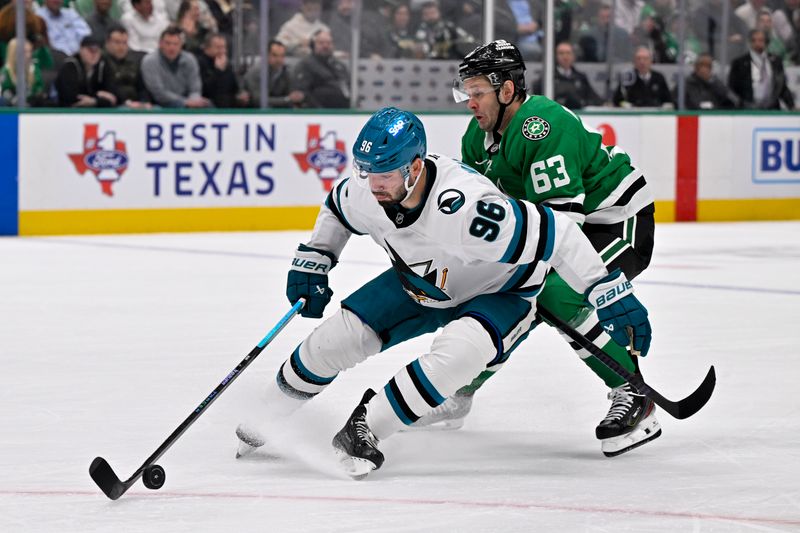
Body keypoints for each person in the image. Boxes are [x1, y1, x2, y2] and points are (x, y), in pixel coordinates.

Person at [235, 106, 653, 477]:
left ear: (414, 167)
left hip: (500, 290)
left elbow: (560, 234)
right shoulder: (366, 189)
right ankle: (269, 414)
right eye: (366, 170)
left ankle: (369, 427)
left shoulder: (470, 210)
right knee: (333, 341)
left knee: (459, 355)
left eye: (383, 173)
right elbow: (338, 205)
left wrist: (605, 288)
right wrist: (317, 256)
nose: (372, 183)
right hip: (421, 282)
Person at [415, 40, 660, 458]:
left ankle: (633, 391)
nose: (470, 102)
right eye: (466, 92)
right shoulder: (476, 138)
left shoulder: (542, 125)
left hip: (617, 222)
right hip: (557, 225)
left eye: (478, 92)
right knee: (508, 297)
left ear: (507, 90)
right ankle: (459, 390)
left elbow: (560, 226)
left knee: (550, 292)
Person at [140, 25, 210, 108]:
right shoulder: (150, 61)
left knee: (208, 105)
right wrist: (185, 102)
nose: (171, 48)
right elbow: (159, 93)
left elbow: (195, 89)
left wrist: (194, 101)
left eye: (175, 44)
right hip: (160, 103)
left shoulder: (190, 59)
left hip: (188, 101)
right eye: (168, 43)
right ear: (160, 44)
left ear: (181, 45)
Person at [728, 29, 795, 109]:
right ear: (750, 42)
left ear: (766, 42)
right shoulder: (739, 63)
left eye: (760, 40)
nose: (757, 43)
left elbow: (782, 87)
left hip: (772, 108)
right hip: (748, 109)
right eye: (754, 40)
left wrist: (791, 105)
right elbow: (732, 89)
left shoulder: (775, 62)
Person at [531, 41, 604, 109]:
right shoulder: (548, 77)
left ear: (573, 56)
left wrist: (582, 103)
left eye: (568, 53)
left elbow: (596, 100)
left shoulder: (580, 78)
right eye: (561, 53)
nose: (565, 57)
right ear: (556, 56)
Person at [54, 35, 119, 107]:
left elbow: (116, 97)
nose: (94, 54)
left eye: (97, 51)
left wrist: (94, 101)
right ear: (81, 50)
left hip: (97, 113)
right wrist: (98, 95)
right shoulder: (70, 66)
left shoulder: (103, 65)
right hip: (68, 113)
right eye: (90, 50)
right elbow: (70, 97)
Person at [292, 29, 349, 108]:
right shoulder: (305, 65)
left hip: (341, 113)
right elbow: (302, 93)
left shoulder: (339, 66)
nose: (325, 46)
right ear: (313, 45)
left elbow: (348, 89)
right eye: (321, 43)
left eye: (329, 43)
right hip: (316, 113)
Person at [242, 39, 305, 108]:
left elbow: (292, 95)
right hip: (255, 115)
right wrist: (286, 100)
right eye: (275, 55)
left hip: (278, 114)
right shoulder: (255, 72)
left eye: (282, 56)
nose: (279, 59)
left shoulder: (286, 72)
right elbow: (259, 100)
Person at [196, 32, 249, 108]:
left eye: (224, 47)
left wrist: (240, 95)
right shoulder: (199, 63)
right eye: (218, 47)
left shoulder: (227, 65)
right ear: (207, 48)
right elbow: (205, 90)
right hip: (208, 107)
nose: (222, 51)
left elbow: (234, 88)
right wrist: (218, 71)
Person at [104, 24, 151, 108]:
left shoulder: (135, 62)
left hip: (136, 105)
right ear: (107, 43)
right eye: (117, 42)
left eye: (124, 43)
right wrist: (127, 103)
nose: (121, 47)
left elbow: (142, 88)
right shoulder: (102, 63)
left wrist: (144, 102)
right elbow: (109, 88)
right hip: (114, 107)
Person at [0, 38, 46, 106]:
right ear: (14, 53)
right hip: (11, 107)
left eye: (30, 51)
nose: (29, 55)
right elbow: (5, 92)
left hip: (31, 105)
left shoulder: (33, 68)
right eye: (25, 52)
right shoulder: (6, 71)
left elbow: (39, 89)